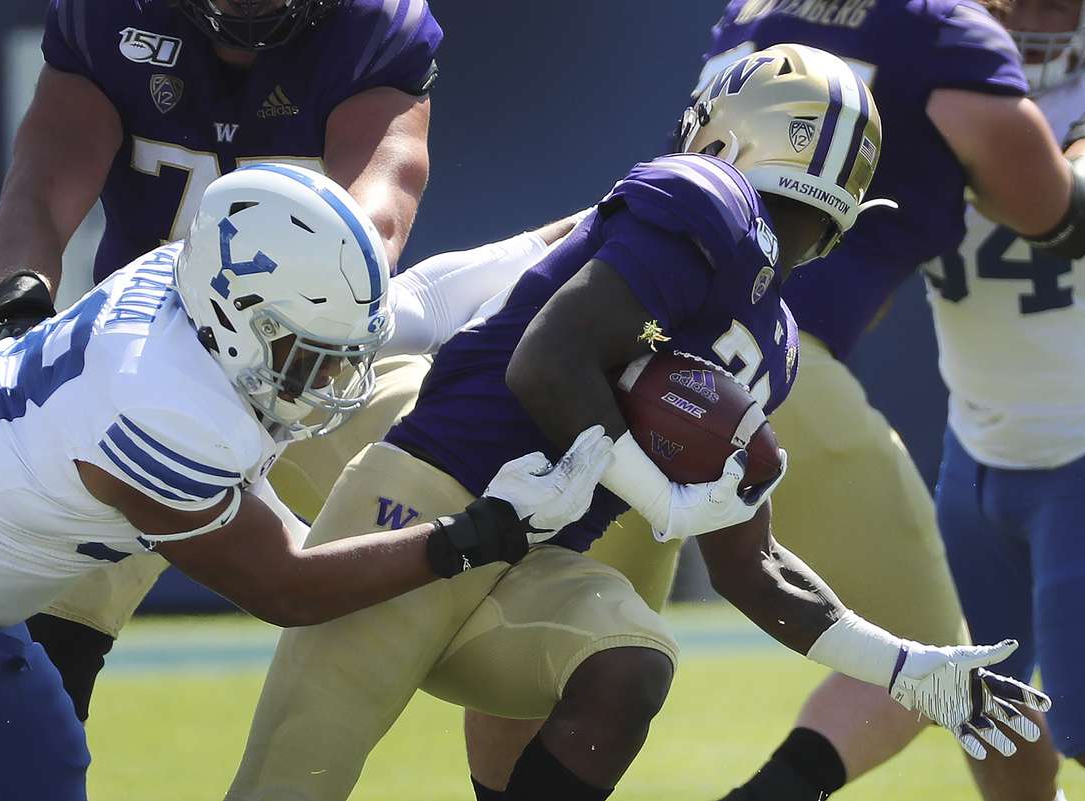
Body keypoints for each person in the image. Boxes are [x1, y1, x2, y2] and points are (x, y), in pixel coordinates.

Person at [222, 46, 1050, 801]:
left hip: (531, 563)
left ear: (730, 133)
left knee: (629, 662)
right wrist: (662, 499)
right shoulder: (710, 218)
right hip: (419, 512)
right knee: (287, 786)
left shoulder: (772, 334)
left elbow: (751, 565)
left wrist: (911, 670)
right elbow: (545, 363)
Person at [0, 164, 613, 800]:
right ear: (235, 317)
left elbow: (428, 301)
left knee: (42, 771)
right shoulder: (164, 405)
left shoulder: (207, 302)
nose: (331, 377)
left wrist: (615, 221)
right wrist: (483, 531)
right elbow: (286, 586)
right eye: (308, 354)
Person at [518, 3, 1082, 801]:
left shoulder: (752, 15)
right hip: (767, 360)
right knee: (935, 655)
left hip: (628, 351)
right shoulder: (943, 34)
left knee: (571, 643)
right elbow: (1053, 211)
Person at [0, 0, 442, 721]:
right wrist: (20, 301)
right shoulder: (108, 18)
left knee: (460, 465)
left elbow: (373, 221)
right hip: (150, 361)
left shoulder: (376, 25)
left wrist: (294, 326)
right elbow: (41, 181)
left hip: (313, 361)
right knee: (36, 644)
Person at [927, 0, 1085, 796]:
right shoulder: (929, 85)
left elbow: (1062, 196)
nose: (1038, 16)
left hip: (1079, 456)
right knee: (991, 716)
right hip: (974, 451)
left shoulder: (943, 102)